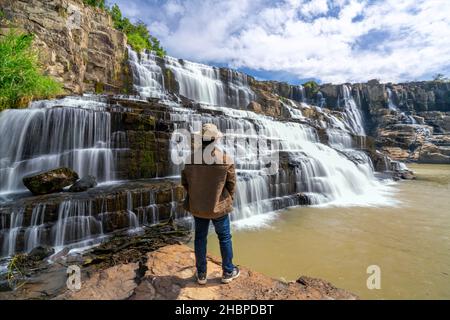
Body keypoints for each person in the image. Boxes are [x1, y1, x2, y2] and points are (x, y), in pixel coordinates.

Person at [181, 123, 239, 285]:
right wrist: (226, 199)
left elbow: (185, 183)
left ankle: (201, 274)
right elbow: (232, 185)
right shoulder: (225, 159)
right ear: (215, 140)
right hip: (219, 207)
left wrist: (196, 197)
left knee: (200, 238)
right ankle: (228, 271)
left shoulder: (190, 159)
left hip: (199, 207)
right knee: (225, 237)